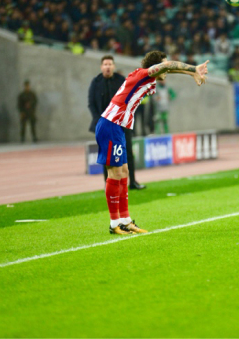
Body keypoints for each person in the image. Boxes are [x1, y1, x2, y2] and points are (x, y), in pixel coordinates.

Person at [96, 51, 208, 234]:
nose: (165, 70)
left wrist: (192, 73)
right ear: (156, 66)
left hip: (117, 127)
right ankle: (114, 223)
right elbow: (167, 67)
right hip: (110, 124)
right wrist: (193, 68)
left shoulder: (146, 77)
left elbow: (167, 70)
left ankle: (125, 220)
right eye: (162, 64)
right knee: (114, 172)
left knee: (124, 171)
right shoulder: (143, 74)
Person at [88, 55, 145, 189]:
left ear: (113, 66)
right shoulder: (95, 82)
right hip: (105, 126)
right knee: (107, 156)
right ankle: (107, 184)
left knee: (127, 153)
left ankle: (133, 182)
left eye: (110, 64)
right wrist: (99, 121)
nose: (107, 67)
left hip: (122, 124)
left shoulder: (121, 81)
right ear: (101, 67)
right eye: (105, 64)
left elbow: (130, 100)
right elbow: (91, 104)